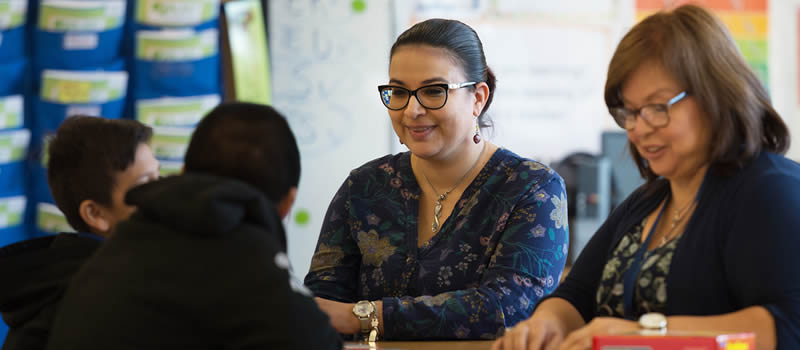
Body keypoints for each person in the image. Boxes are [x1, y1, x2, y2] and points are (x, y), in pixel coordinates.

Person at [494, 5, 800, 350]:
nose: (638, 128)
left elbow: (789, 326)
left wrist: (645, 334)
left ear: (716, 94)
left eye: (657, 107)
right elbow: (575, 295)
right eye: (630, 111)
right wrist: (545, 323)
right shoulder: (648, 201)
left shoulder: (770, 191)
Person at [304, 18, 569, 341]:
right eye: (398, 92)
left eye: (433, 91)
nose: (411, 110)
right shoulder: (363, 187)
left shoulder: (531, 187)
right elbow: (321, 303)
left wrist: (364, 316)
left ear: (478, 98)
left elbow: (508, 307)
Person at [46, 103, 341, 349]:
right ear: (289, 202)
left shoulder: (105, 264)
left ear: (185, 173)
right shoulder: (238, 257)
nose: (155, 194)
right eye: (145, 183)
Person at [0, 116, 159, 349]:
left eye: (159, 176)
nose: (164, 192)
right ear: (95, 214)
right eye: (146, 184)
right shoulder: (99, 306)